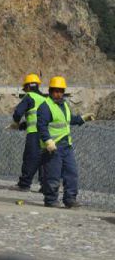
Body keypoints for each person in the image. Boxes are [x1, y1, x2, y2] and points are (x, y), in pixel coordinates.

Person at [37, 76, 95, 208]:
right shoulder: (45, 107)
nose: (58, 93)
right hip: (52, 147)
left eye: (60, 91)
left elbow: (68, 120)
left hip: (66, 146)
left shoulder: (64, 105)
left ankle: (70, 199)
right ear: (51, 91)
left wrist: (82, 118)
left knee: (72, 173)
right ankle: (51, 200)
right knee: (53, 175)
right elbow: (41, 126)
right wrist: (48, 141)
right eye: (55, 91)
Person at [8, 74, 45, 192]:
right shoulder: (45, 99)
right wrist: (24, 125)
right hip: (46, 134)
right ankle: (45, 186)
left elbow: (18, 113)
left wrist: (16, 122)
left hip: (34, 133)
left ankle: (24, 184)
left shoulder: (29, 97)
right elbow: (37, 117)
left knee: (30, 158)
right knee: (44, 159)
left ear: (28, 86)